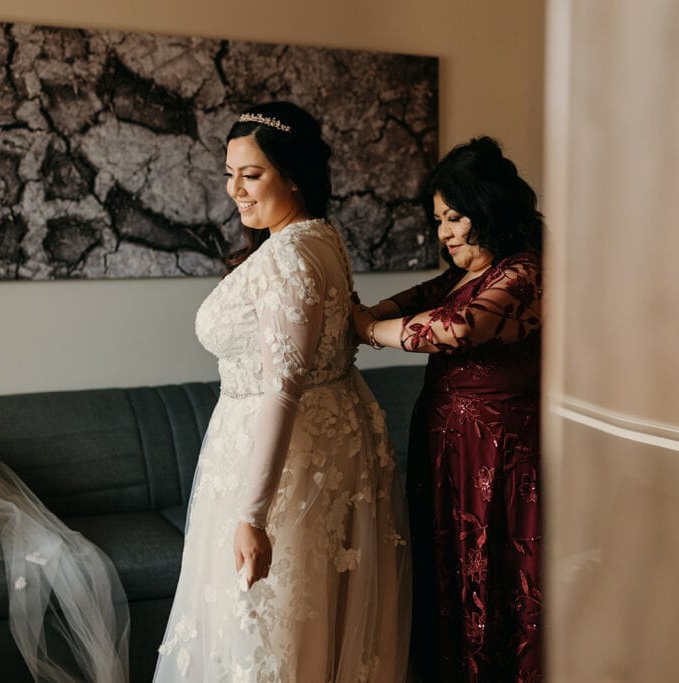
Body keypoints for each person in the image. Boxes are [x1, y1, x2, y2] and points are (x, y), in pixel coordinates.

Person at [153, 102, 410, 682]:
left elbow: (283, 391)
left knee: (270, 628)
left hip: (286, 465)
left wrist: (251, 515)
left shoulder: (290, 257)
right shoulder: (321, 238)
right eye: (229, 172)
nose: (235, 190)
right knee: (299, 625)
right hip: (316, 446)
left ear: (292, 175)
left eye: (252, 174)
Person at [351, 136, 544, 682]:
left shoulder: (524, 273)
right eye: (438, 221)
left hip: (499, 457)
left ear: (488, 208)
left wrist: (365, 329)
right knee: (449, 578)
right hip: (449, 451)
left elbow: (455, 327)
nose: (444, 234)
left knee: (497, 578)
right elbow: (417, 299)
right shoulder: (467, 272)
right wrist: (359, 311)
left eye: (454, 217)